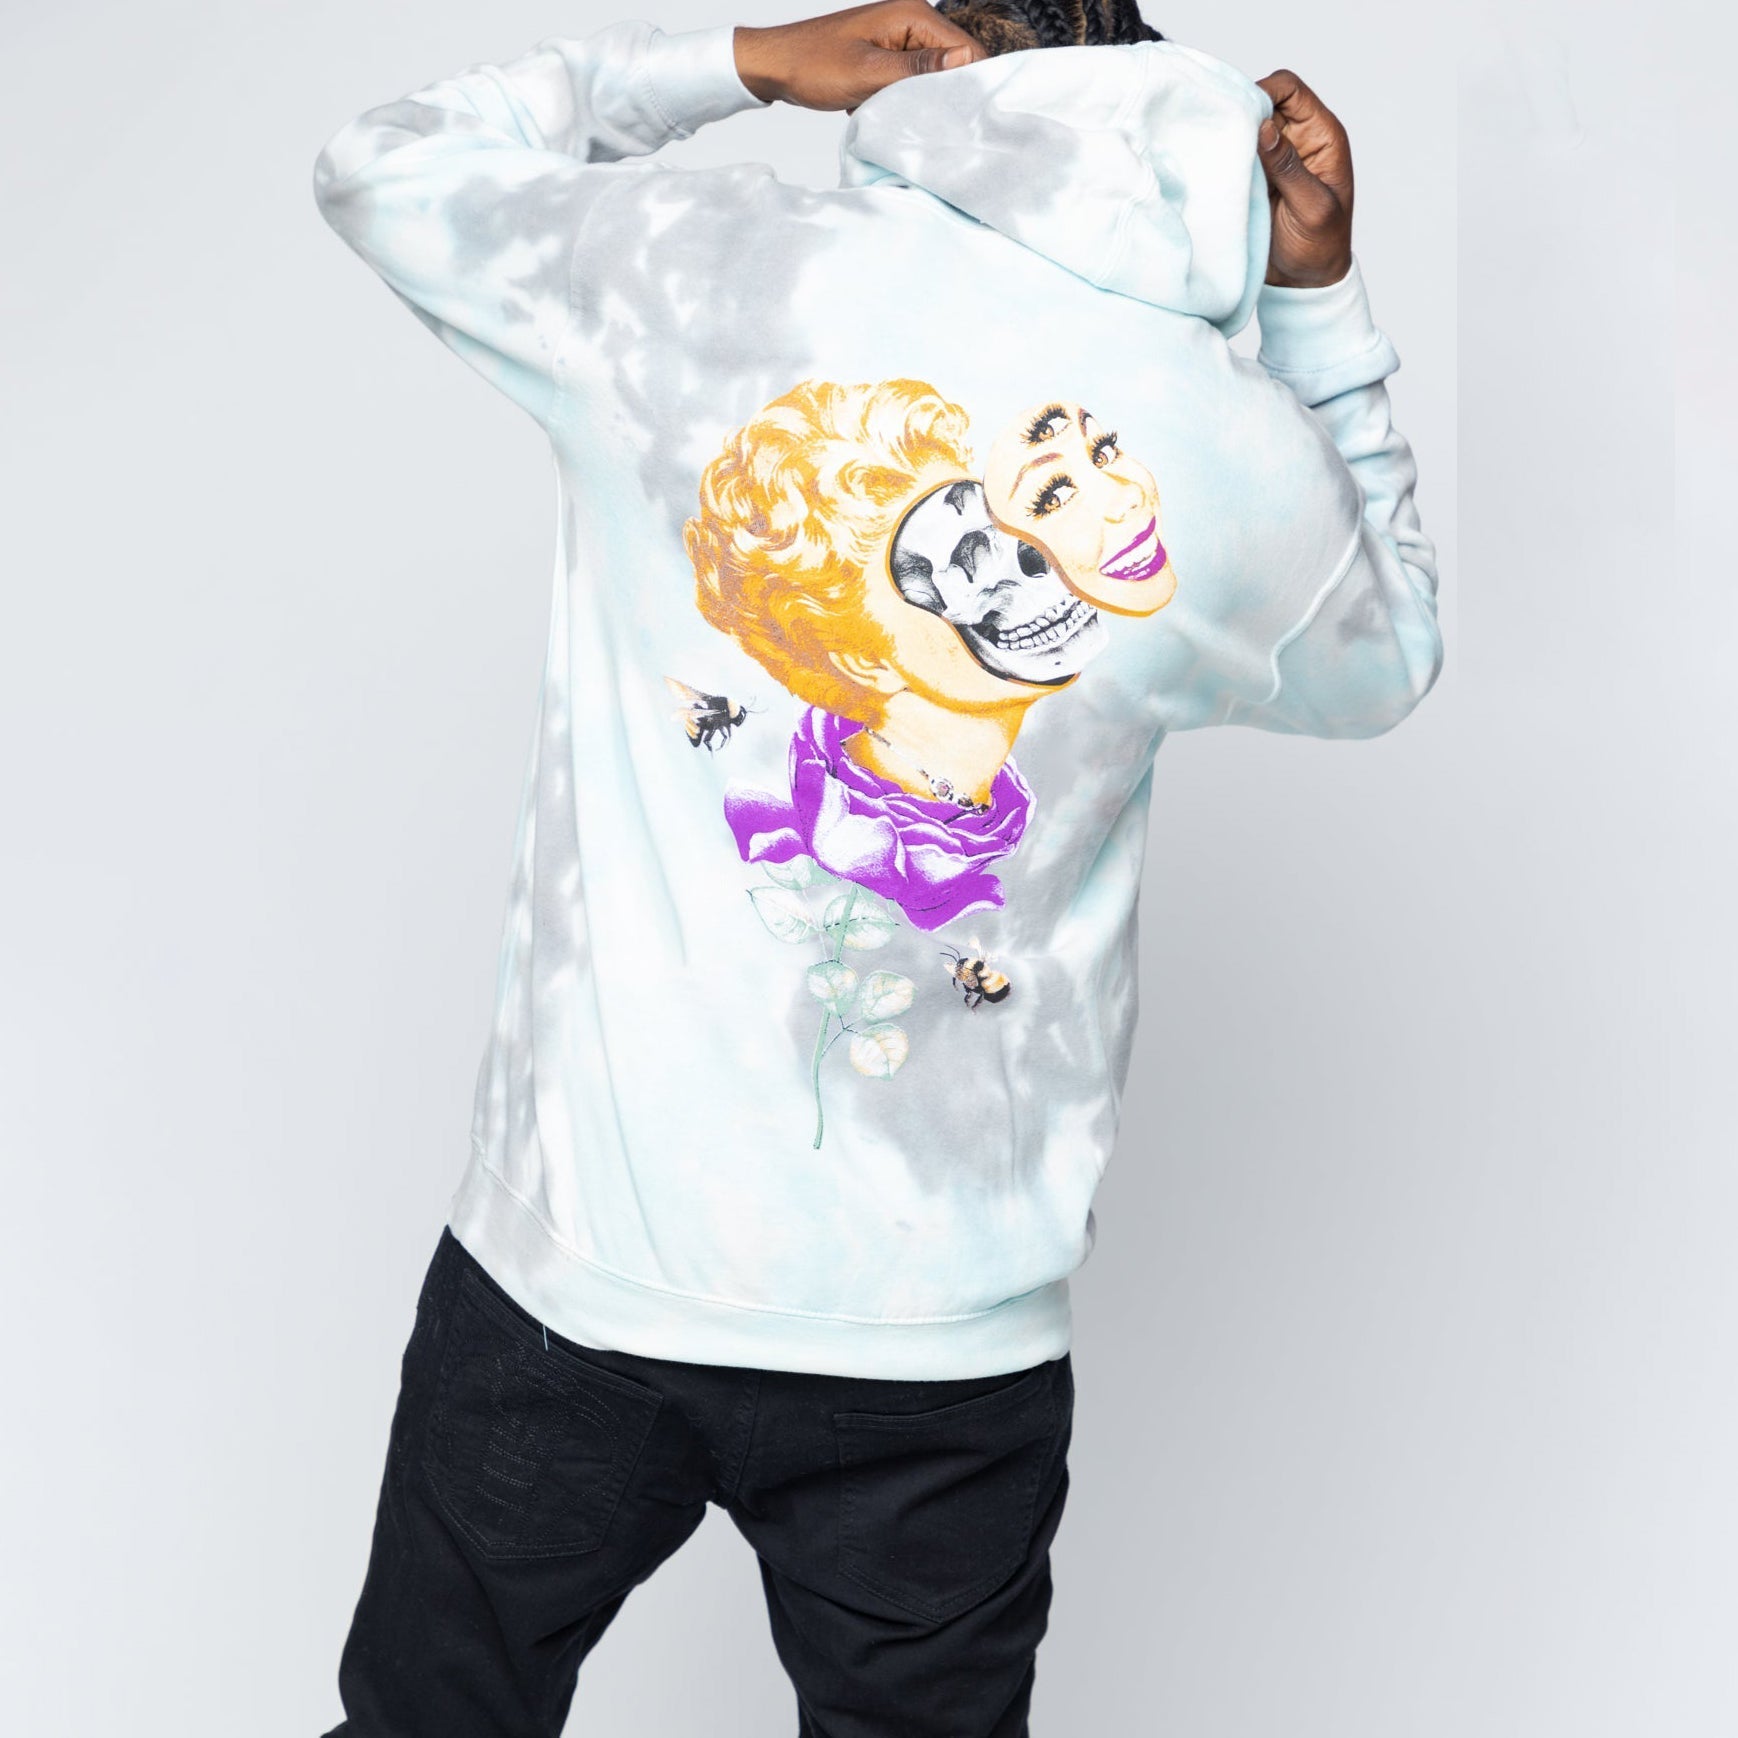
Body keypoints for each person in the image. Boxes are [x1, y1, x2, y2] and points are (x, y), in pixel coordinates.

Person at [311, 2, 1441, 1731]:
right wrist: (1314, 301)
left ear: (930, 57)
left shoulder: (704, 272)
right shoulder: (1225, 450)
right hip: (943, 1344)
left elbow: (382, 165)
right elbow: (1386, 656)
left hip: (577, 1279)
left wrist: (744, 63)